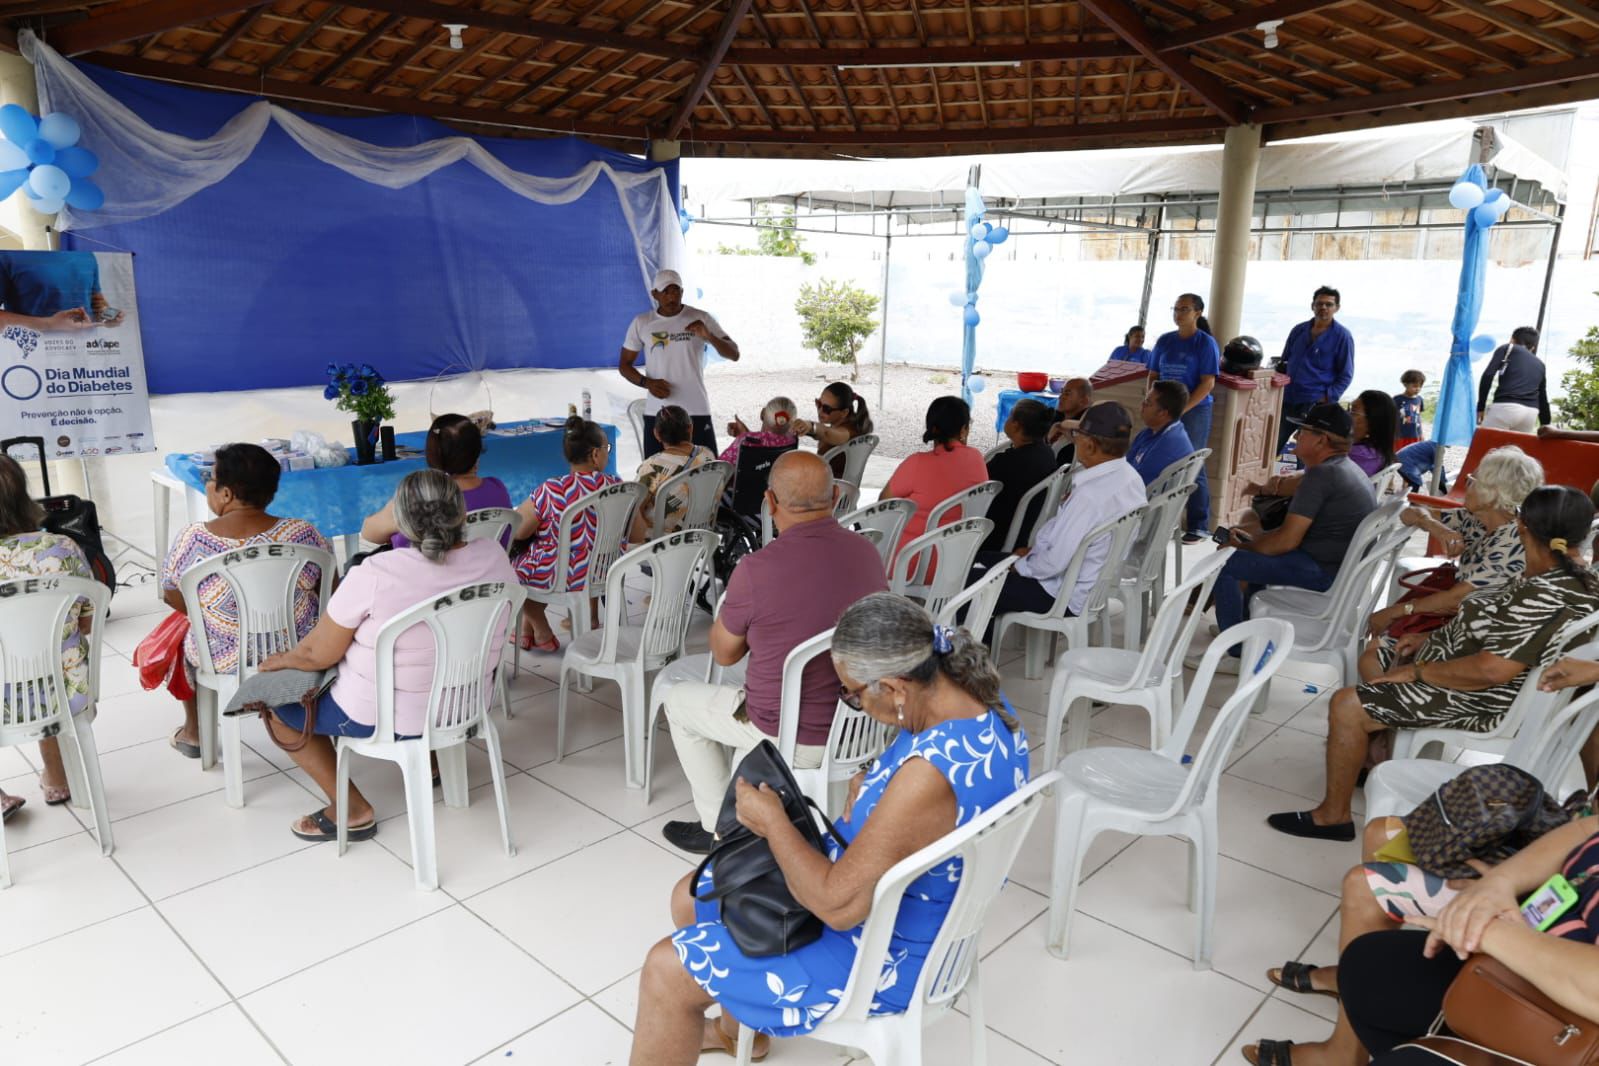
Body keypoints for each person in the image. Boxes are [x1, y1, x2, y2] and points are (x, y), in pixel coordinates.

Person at [631, 593, 1028, 1064]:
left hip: (884, 951)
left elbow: (838, 908)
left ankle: (711, 1006)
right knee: (690, 895)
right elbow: (926, 804)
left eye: (854, 695)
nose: (852, 703)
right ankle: (742, 1030)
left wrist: (774, 823)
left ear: (896, 688)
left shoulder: (927, 776)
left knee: (664, 969)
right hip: (913, 906)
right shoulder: (975, 697)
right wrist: (880, 780)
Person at [1266, 485, 1599, 842]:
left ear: (1523, 528)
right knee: (1380, 652)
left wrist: (1417, 671)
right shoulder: (1571, 578)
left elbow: (1493, 669)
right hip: (1469, 673)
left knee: (1346, 704)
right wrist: (1429, 640)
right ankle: (1373, 749)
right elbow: (1500, 630)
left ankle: (1332, 816)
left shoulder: (1544, 592)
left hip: (1483, 697)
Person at [255, 471, 517, 842]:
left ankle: (352, 808)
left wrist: (282, 662)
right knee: (419, 663)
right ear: (461, 513)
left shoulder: (375, 572)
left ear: (401, 519)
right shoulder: (493, 555)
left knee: (273, 700)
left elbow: (317, 654)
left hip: (380, 716)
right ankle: (433, 763)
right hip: (467, 704)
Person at [658, 452, 886, 854]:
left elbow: (725, 655)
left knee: (677, 702)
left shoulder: (756, 569)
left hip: (785, 732)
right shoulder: (867, 553)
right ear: (834, 496)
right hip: (860, 725)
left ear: (770, 501)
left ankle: (717, 831)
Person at [1335, 813, 1599, 1065]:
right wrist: (1500, 882)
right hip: (1528, 962)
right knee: (1369, 968)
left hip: (1576, 1023)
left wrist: (1485, 931)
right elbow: (1587, 829)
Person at [160, 443, 332, 761]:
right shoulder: (304, 533)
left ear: (225, 494)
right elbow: (329, 593)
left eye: (211, 480)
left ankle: (194, 732)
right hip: (299, 648)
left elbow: (172, 596)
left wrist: (215, 617)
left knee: (178, 633)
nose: (208, 486)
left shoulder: (194, 539)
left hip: (223, 656)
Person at [1210, 403, 1376, 675]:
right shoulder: (1344, 467)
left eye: (1303, 431)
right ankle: (1245, 628)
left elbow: (1285, 543)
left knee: (1227, 561)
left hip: (1323, 572)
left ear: (1321, 439)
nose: (1296, 436)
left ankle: (1238, 653)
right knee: (1253, 553)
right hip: (1336, 568)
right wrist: (1254, 541)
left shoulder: (1322, 475)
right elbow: (1284, 539)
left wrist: (1244, 544)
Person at [967, 402, 1147, 626]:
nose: (1075, 439)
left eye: (1077, 435)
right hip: (1089, 585)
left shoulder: (1089, 497)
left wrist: (1020, 565)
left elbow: (1052, 565)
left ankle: (964, 655)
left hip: (1058, 592)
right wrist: (1031, 554)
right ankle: (983, 640)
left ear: (1090, 445)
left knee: (963, 581)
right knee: (979, 561)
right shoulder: (1131, 478)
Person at [1362, 446, 1542, 663]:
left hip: (1481, 640)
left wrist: (1396, 611)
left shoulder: (1512, 541)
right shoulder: (1478, 518)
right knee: (1375, 648)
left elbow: (1457, 598)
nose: (1466, 486)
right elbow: (1409, 512)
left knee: (1374, 654)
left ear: (1493, 493)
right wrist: (1436, 527)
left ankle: (1380, 692)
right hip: (1460, 621)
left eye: (1472, 480)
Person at [0, 454, 96, 820]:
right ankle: (56, 774)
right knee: (42, 658)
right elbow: (85, 622)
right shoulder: (62, 548)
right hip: (65, 691)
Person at [510, 416, 619, 653]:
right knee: (536, 561)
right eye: (606, 448)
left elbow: (518, 531)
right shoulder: (616, 486)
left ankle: (540, 629)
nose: (607, 454)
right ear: (594, 455)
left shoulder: (552, 489)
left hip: (564, 574)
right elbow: (637, 534)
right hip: (606, 569)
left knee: (510, 570)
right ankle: (527, 630)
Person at [618, 268, 740, 457]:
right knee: (656, 473)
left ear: (682, 292)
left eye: (676, 290)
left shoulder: (701, 318)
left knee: (706, 469)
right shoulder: (642, 322)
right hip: (659, 412)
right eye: (665, 291)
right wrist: (647, 383)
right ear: (655, 294)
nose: (671, 296)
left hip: (696, 409)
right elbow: (625, 365)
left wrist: (708, 336)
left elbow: (733, 353)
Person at [359, 413, 511, 549]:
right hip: (489, 575)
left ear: (432, 455)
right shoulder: (497, 488)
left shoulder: (416, 498)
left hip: (421, 578)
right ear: (478, 451)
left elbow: (369, 533)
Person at [1148, 293, 1221, 540]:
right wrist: (1151, 400)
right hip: (1163, 408)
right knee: (1160, 459)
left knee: (1192, 461)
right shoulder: (1165, 341)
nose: (1178, 314)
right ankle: (1157, 520)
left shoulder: (1205, 343)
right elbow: (1153, 374)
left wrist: (1183, 408)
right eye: (1176, 308)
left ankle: (1198, 524)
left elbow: (1208, 383)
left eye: (1185, 309)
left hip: (1195, 410)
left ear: (1197, 313)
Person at [881, 396, 988, 558]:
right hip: (956, 562)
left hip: (908, 563)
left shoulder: (917, 463)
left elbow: (883, 503)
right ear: (964, 429)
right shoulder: (976, 459)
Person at [1277, 285, 1356, 456]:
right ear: (1312, 305)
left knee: (1309, 452)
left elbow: (1346, 374)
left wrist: (1327, 397)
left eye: (1329, 304)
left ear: (1337, 308)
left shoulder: (1342, 336)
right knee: (1272, 445)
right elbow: (1284, 362)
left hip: (1316, 404)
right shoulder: (1299, 330)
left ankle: (1306, 482)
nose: (1323, 308)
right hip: (1288, 399)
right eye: (1320, 304)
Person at [982, 398, 1058, 553]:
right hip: (1027, 527)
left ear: (1016, 425)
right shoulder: (1047, 452)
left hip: (998, 534)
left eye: (1010, 416)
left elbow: (976, 485)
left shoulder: (1007, 462)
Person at [630, 404, 714, 541]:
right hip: (700, 535)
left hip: (661, 542)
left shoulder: (652, 466)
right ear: (690, 428)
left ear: (657, 434)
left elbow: (634, 508)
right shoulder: (707, 455)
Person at [0, 249, 123, 327]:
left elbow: (96, 302)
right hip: (34, 356)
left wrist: (107, 314)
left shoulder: (86, 254)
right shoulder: (7, 256)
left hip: (88, 355)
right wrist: (49, 325)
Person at [789, 381, 874, 475]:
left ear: (844, 412)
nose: (820, 411)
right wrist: (805, 428)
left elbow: (827, 433)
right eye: (818, 404)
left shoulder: (847, 431)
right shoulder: (853, 423)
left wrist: (810, 426)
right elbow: (822, 432)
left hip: (830, 484)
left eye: (827, 409)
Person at [1477, 326, 1550, 432]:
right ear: (1533, 347)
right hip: (1530, 413)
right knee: (1513, 448)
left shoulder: (1508, 348)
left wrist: (1480, 407)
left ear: (1512, 339)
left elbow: (1488, 375)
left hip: (1506, 407)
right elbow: (1542, 397)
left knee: (1485, 446)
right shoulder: (1540, 364)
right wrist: (1546, 424)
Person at [1128, 380, 1196, 485]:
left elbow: (1136, 483)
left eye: (1147, 403)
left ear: (1163, 413)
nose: (1142, 405)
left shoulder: (1168, 445)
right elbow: (1127, 462)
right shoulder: (1151, 431)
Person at [720, 396, 799, 470]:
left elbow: (718, 469)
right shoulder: (792, 440)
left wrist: (744, 437)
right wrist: (747, 434)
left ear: (762, 414)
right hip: (776, 484)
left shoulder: (745, 440)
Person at [1046, 377, 1095, 467]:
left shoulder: (1085, 428)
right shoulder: (1055, 416)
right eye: (1061, 392)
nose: (1060, 397)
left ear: (1084, 401)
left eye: (1067, 394)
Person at [1349, 390, 1398, 477]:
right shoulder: (1378, 449)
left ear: (1372, 422)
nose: (1346, 415)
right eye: (1348, 409)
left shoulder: (1357, 454)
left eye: (1353, 412)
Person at [1394, 370, 1425, 450]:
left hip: (1415, 434)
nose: (1418, 389)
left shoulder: (1419, 399)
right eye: (1415, 386)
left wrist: (1421, 433)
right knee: (1398, 454)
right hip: (1400, 435)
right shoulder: (1397, 399)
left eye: (1420, 386)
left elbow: (1418, 417)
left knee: (1413, 453)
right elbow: (1391, 416)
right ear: (1405, 384)